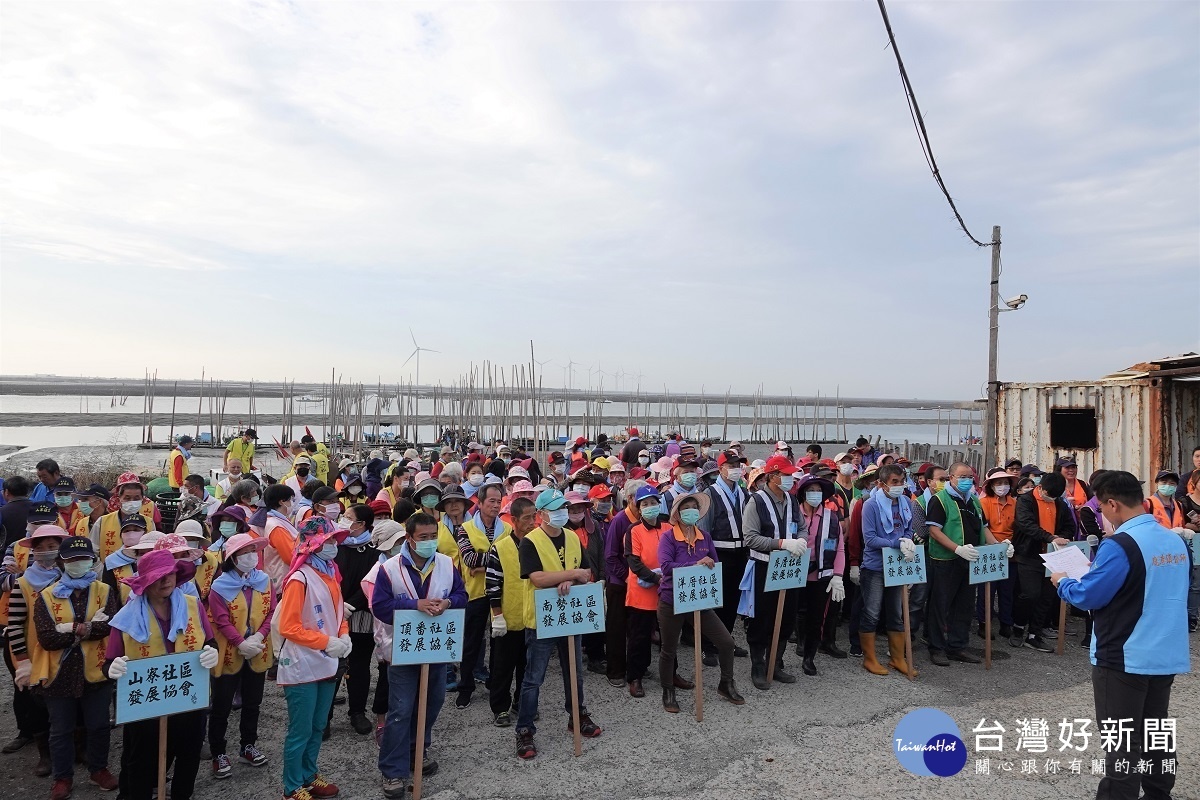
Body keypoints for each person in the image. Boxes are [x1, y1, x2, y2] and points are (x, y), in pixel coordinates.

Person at [1050, 470, 1190, 800]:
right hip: (1165, 652)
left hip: (1125, 655)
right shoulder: (1175, 540)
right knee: (1157, 735)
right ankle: (1159, 794)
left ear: (1112, 504)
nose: (1103, 514)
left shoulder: (1121, 545)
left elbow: (1089, 596)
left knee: (1122, 746)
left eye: (1101, 508)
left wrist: (1063, 582)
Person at [106, 549, 220, 800]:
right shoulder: (127, 616)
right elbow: (110, 660)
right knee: (141, 762)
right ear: (145, 581)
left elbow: (210, 641)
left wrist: (212, 653)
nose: (166, 580)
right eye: (158, 576)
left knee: (188, 757)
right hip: (146, 705)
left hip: (188, 697)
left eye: (170, 574)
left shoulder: (193, 605)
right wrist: (113, 669)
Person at [371, 512, 467, 797]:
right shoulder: (389, 569)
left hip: (437, 646)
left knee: (433, 701)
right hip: (402, 649)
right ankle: (392, 771)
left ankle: (417, 749)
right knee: (400, 708)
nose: (428, 542)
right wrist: (416, 604)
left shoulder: (447, 565)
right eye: (422, 538)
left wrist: (447, 602)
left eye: (432, 537)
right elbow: (380, 607)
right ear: (409, 539)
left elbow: (463, 596)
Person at [514, 490, 601, 760]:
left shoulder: (573, 537)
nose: (562, 513)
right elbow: (537, 578)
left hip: (569, 612)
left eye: (564, 507)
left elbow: (586, 573)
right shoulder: (531, 541)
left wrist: (572, 579)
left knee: (574, 670)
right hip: (542, 618)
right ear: (541, 514)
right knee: (534, 677)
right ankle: (524, 729)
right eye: (556, 509)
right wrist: (570, 575)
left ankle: (577, 715)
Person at [32, 536, 120, 799]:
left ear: (92, 561)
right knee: (60, 729)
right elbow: (47, 638)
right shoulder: (47, 596)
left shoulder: (104, 591)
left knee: (99, 725)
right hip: (59, 672)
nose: (78, 563)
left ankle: (99, 769)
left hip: (96, 670)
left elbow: (111, 625)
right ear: (62, 562)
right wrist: (86, 628)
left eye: (84, 559)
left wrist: (72, 628)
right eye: (72, 559)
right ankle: (62, 778)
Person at [276, 519, 349, 800]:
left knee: (318, 724)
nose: (333, 546)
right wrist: (328, 642)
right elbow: (288, 627)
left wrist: (343, 635)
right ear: (314, 545)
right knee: (301, 729)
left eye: (334, 540)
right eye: (328, 541)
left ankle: (309, 774)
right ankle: (292, 786)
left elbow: (338, 613)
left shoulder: (330, 572)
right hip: (302, 663)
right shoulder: (299, 578)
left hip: (327, 659)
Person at [656, 493, 742, 713]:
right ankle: (668, 690)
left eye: (695, 507)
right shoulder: (668, 537)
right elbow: (666, 567)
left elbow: (715, 563)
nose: (691, 511)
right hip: (672, 600)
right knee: (669, 648)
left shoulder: (705, 536)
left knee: (726, 642)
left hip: (699, 600)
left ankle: (726, 683)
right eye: (687, 508)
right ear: (677, 513)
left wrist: (709, 563)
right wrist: (697, 564)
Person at [206, 533, 273, 779]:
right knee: (222, 705)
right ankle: (218, 752)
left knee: (253, 702)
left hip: (257, 648)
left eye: (253, 551)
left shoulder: (264, 580)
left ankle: (248, 745)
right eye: (245, 552)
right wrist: (241, 642)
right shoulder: (219, 586)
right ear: (233, 558)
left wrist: (258, 637)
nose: (251, 556)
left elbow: (271, 611)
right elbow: (221, 620)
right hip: (230, 650)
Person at [924, 462, 1003, 666]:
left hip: (971, 560)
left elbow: (983, 527)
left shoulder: (975, 501)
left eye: (970, 477)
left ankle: (957, 646)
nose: (968, 480)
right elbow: (934, 530)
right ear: (951, 477)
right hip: (946, 560)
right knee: (940, 605)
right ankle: (937, 647)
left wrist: (998, 545)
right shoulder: (940, 500)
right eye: (962, 477)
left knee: (965, 605)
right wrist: (957, 549)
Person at [740, 455, 809, 689]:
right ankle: (758, 665)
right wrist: (780, 544)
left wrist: (800, 540)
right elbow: (749, 538)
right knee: (762, 618)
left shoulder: (791, 500)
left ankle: (776, 662)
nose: (790, 479)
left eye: (791, 475)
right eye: (785, 475)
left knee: (787, 616)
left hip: (790, 567)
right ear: (772, 476)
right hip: (764, 566)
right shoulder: (756, 501)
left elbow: (801, 527)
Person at [6, 522, 68, 777]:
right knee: (38, 706)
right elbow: (15, 624)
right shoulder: (23, 583)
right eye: (41, 548)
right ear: (33, 551)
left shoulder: (69, 578)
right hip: (34, 653)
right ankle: (45, 753)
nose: (46, 552)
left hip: (66, 653)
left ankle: (75, 747)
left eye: (52, 547)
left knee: (68, 703)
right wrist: (22, 660)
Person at [450, 482, 510, 708]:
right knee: (471, 643)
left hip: (501, 592)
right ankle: (465, 687)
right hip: (474, 593)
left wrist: (484, 561)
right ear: (481, 503)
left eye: (498, 501)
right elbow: (469, 559)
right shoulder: (465, 528)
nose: (496, 505)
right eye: (491, 501)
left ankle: (495, 682)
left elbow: (511, 559)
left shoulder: (507, 528)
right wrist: (495, 560)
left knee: (499, 642)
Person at [857, 465, 917, 677]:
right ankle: (870, 658)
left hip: (898, 565)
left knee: (897, 613)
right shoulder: (870, 505)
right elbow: (870, 539)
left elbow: (910, 528)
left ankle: (897, 658)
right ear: (881, 484)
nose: (899, 486)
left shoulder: (906, 502)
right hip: (875, 566)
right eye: (894, 482)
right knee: (872, 612)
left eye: (902, 481)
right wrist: (896, 543)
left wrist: (907, 541)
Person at [484, 497, 535, 727]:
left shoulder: (538, 543)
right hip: (508, 616)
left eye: (535, 516)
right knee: (502, 667)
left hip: (532, 618)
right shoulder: (501, 547)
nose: (533, 522)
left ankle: (522, 703)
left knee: (528, 667)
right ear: (514, 520)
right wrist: (497, 616)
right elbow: (492, 584)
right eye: (527, 518)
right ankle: (500, 708)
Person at [1011, 471, 1075, 652]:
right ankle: (1018, 627)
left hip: (1053, 556)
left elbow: (1070, 526)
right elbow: (1026, 524)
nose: (1051, 498)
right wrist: (1050, 537)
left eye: (1055, 496)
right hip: (1029, 554)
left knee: (1047, 596)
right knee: (1029, 594)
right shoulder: (1026, 500)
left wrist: (1061, 537)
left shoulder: (1060, 503)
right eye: (1049, 494)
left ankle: (1034, 634)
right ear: (1041, 487)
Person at [624, 485, 675, 698]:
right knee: (640, 637)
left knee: (669, 636)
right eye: (645, 504)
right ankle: (636, 676)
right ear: (639, 508)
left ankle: (671, 674)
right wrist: (655, 577)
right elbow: (634, 562)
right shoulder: (633, 530)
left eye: (653, 502)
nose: (650, 507)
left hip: (666, 590)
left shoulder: (668, 527)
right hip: (642, 592)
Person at [336, 504, 382, 735]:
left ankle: (357, 711)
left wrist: (351, 604)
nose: (343, 521)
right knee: (333, 663)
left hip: (362, 613)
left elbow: (372, 583)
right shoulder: (335, 545)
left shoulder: (375, 551)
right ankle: (323, 716)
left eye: (348, 518)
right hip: (333, 613)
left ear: (362, 524)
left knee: (360, 663)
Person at [794, 474, 846, 675]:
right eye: (810, 490)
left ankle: (809, 657)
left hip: (821, 573)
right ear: (802, 493)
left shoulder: (831, 517)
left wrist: (838, 575)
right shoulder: (793, 514)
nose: (815, 494)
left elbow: (839, 548)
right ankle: (796, 643)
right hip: (795, 573)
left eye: (818, 490)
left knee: (816, 618)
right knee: (795, 613)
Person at [602, 479, 646, 688]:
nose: (646, 506)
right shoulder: (619, 521)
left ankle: (638, 667)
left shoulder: (646, 521)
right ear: (630, 499)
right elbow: (610, 556)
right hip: (621, 582)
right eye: (642, 502)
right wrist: (627, 577)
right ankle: (616, 670)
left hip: (642, 583)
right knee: (617, 628)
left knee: (639, 628)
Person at [564, 490, 606, 672]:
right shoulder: (560, 530)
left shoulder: (594, 525)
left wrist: (603, 578)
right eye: (572, 509)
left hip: (594, 581)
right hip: (571, 584)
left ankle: (596, 658)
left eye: (579, 508)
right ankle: (571, 661)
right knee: (572, 622)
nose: (576, 512)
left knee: (595, 621)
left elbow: (602, 553)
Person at [978, 467, 1018, 639]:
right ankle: (983, 623)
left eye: (1006, 483)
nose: (1003, 486)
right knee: (987, 589)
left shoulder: (1014, 503)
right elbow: (982, 526)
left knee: (1007, 590)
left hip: (1010, 550)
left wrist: (1011, 545)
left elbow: (1018, 527)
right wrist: (995, 544)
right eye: (999, 483)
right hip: (989, 549)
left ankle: (1005, 623)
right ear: (991, 486)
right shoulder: (984, 502)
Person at [91, 474, 155, 563]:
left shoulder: (149, 522)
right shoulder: (102, 521)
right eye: (127, 498)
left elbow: (153, 552)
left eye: (136, 498)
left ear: (142, 499)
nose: (132, 501)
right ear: (119, 498)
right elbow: (92, 552)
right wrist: (104, 571)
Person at [263, 484, 301, 585]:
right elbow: (290, 556)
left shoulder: (279, 521)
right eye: (290, 500)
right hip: (282, 578)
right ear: (282, 501)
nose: (292, 503)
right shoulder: (276, 526)